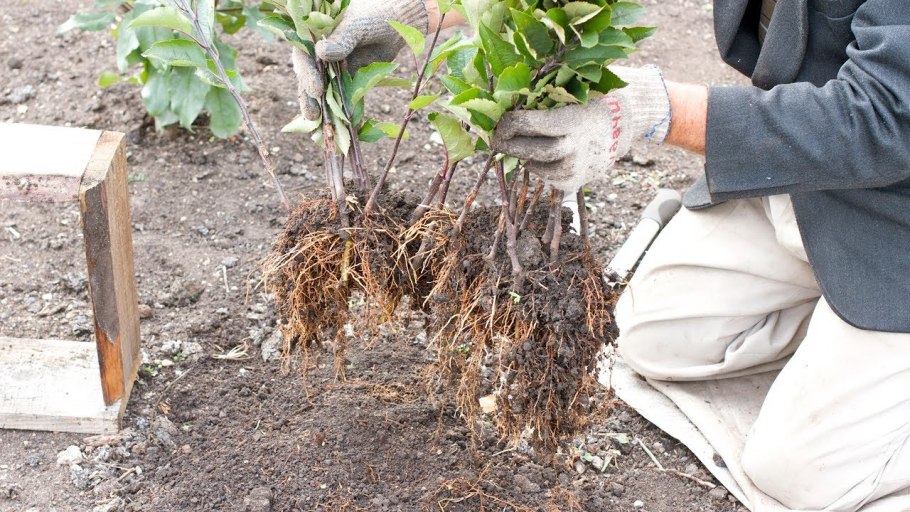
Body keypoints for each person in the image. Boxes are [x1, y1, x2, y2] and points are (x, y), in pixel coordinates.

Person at [294, 0, 910, 509]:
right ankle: (840, 334)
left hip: (897, 212)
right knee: (653, 341)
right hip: (811, 179)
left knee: (801, 478)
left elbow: (889, 115)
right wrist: (422, 11)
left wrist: (652, 109)